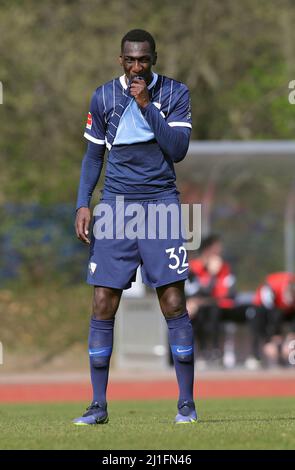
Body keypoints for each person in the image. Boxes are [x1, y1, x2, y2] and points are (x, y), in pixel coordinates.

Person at [73, 29, 196, 425]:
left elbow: (176, 151)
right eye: (130, 60)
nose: (137, 67)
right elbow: (92, 157)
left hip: (160, 204)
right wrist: (83, 203)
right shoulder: (103, 96)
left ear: (154, 59)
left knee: (173, 301)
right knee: (103, 301)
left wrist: (146, 106)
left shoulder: (175, 94)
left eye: (144, 59)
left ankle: (186, 405)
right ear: (120, 60)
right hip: (114, 207)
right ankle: (97, 406)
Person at [185, 234, 236, 366]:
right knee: (199, 313)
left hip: (219, 305)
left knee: (214, 311)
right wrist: (212, 275)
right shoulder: (193, 267)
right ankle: (202, 352)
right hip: (198, 306)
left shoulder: (224, 268)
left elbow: (230, 291)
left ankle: (215, 351)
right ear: (207, 250)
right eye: (216, 248)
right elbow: (195, 291)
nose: (219, 251)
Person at [246, 271, 295, 368]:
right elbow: (270, 311)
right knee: (261, 328)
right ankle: (255, 355)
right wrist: (271, 339)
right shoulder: (273, 287)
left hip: (281, 310)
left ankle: (284, 350)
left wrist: (291, 337)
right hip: (261, 309)